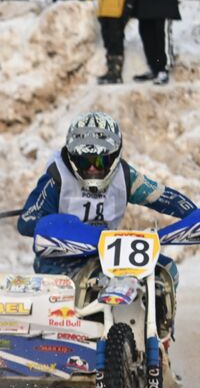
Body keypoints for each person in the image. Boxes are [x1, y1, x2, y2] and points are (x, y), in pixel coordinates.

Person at [18, 112, 195, 276]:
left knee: (165, 270)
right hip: (61, 257)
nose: (93, 169)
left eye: (100, 160)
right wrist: (61, 225)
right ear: (72, 157)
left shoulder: (126, 176)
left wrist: (193, 217)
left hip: (108, 252)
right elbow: (26, 221)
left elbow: (165, 198)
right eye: (84, 161)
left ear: (114, 156)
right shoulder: (57, 178)